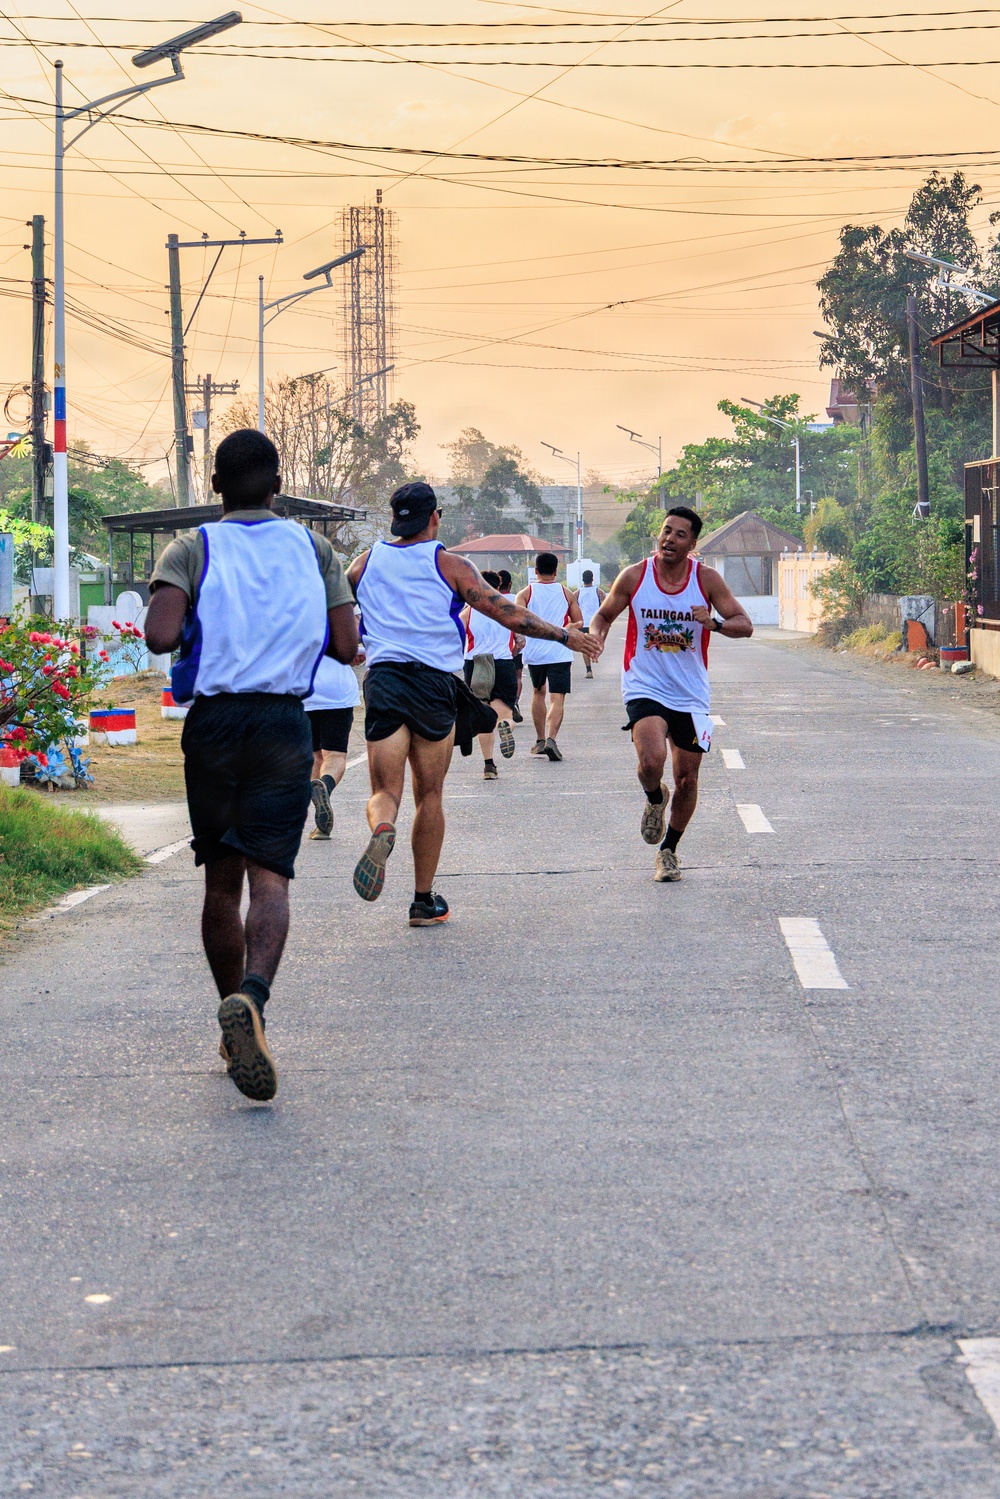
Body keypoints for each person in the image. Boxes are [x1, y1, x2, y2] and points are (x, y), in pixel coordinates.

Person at [144, 429, 359, 1101]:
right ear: (276, 486)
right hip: (281, 725)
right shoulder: (312, 546)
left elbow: (159, 633)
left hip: (213, 726)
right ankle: (255, 1003)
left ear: (215, 485)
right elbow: (348, 642)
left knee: (221, 882)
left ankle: (230, 1013)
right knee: (272, 880)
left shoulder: (191, 548)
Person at [347, 483, 600, 925]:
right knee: (430, 795)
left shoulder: (363, 563)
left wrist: (350, 646)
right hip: (434, 685)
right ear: (434, 518)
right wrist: (565, 635)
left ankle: (382, 828)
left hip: (384, 682)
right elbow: (506, 612)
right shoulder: (450, 565)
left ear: (394, 519)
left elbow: (335, 613)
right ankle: (423, 901)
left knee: (385, 792)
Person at [589, 506, 752, 883]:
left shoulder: (707, 580)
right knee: (650, 762)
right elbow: (604, 615)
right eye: (666, 531)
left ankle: (669, 851)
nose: (669, 539)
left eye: (680, 534)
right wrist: (595, 637)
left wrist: (712, 622)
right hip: (643, 685)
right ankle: (653, 798)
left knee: (688, 780)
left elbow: (744, 625)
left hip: (692, 695)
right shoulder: (635, 576)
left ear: (692, 544)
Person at [516, 552, 583, 762]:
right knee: (557, 697)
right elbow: (579, 622)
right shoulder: (566, 593)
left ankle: (540, 740)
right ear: (556, 571)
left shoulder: (526, 592)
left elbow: (517, 619)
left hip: (535, 653)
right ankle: (552, 738)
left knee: (538, 693)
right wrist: (564, 630)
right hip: (560, 650)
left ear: (535, 571)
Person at [460, 569, 522, 781]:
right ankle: (506, 726)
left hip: (476, 664)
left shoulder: (468, 612)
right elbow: (521, 641)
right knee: (504, 714)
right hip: (503, 663)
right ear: (498, 587)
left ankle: (489, 766)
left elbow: (456, 635)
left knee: (484, 715)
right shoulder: (508, 609)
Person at [304, 642, 362, 838]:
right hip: (336, 688)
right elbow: (351, 640)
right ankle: (325, 787)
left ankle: (320, 825)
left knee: (313, 755)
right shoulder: (340, 608)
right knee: (334, 754)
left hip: (303, 686)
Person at [497, 568, 524, 722]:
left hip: (497, 648)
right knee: (517, 677)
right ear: (510, 583)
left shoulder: (489, 601)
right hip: (515, 646)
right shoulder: (517, 600)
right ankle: (514, 702)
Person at [575, 568, 606, 680]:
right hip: (595, 624)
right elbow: (605, 605)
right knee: (595, 644)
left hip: (583, 624)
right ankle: (594, 656)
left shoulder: (577, 593)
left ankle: (588, 670)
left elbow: (571, 606)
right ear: (592, 579)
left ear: (583, 579)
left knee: (585, 647)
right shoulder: (599, 592)